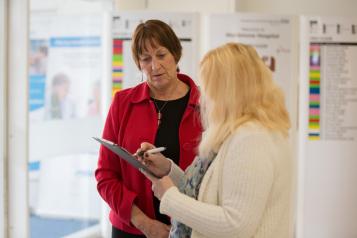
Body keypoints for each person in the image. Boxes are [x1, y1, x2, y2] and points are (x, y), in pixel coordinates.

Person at [139, 42, 294, 238]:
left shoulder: (252, 139)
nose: (205, 96)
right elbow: (208, 191)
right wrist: (168, 170)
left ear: (228, 90)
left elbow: (235, 225)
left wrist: (170, 198)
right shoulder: (242, 131)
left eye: (209, 86)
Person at [95, 19, 203, 238]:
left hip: (190, 229)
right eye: (146, 59)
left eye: (161, 55)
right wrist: (143, 222)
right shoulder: (122, 103)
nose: (155, 66)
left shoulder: (205, 105)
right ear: (139, 64)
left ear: (175, 54)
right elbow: (105, 176)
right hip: (131, 229)